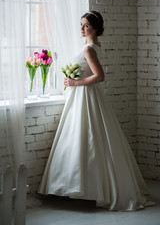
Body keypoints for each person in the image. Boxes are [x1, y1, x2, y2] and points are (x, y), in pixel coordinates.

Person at [38, 11, 154, 211]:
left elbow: (99, 76)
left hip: (87, 95)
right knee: (88, 139)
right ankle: (83, 187)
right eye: (81, 25)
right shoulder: (92, 47)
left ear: (95, 28)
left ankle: (89, 188)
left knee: (89, 139)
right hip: (84, 96)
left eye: (86, 26)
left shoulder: (90, 49)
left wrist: (75, 81)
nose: (82, 29)